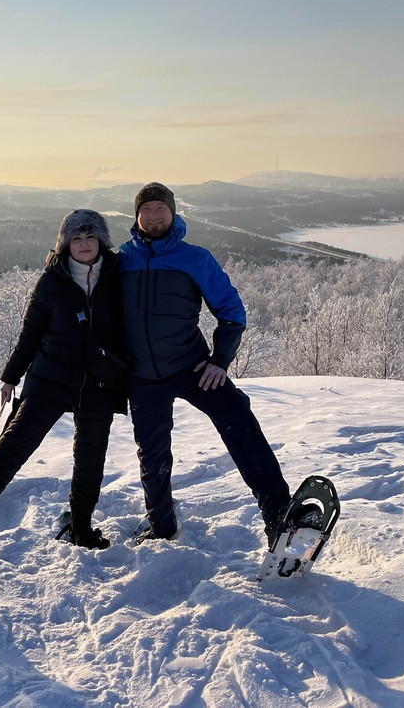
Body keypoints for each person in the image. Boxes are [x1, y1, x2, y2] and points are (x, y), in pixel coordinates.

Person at [119, 182, 307, 545]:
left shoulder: (196, 259)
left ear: (173, 214)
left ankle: (278, 515)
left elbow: (232, 313)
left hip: (192, 367)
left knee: (239, 419)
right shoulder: (120, 260)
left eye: (161, 208)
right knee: (153, 453)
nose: (154, 215)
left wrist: (219, 361)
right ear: (136, 215)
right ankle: (161, 526)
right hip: (142, 376)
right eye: (147, 209)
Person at [0, 209, 129, 549]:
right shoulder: (52, 280)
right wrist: (11, 375)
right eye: (76, 238)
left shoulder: (118, 277)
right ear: (65, 243)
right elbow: (30, 333)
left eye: (90, 236)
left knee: (91, 459)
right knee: (16, 442)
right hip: (51, 375)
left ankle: (81, 526)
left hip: (99, 382)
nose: (83, 244)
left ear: (101, 241)